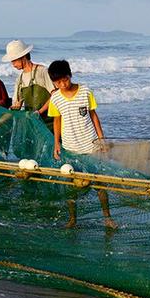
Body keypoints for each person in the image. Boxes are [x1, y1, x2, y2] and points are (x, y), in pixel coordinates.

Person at [47, 60, 116, 229]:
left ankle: (107, 218)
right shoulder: (55, 98)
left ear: (70, 75)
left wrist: (102, 139)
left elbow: (93, 116)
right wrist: (57, 143)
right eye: (57, 82)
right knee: (71, 186)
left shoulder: (85, 91)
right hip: (70, 148)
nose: (62, 84)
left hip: (90, 145)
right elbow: (57, 121)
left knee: (99, 184)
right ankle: (72, 220)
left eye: (65, 80)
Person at [3, 40, 56, 132]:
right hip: (33, 125)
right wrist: (15, 107)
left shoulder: (42, 71)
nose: (13, 64)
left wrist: (40, 112)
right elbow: (16, 104)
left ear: (23, 57)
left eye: (14, 60)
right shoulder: (19, 80)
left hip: (51, 123)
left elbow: (55, 95)